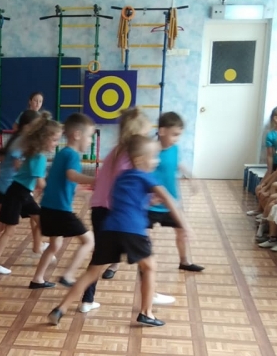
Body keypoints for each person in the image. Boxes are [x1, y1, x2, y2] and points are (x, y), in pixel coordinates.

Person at [47, 134, 191, 327]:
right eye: (153, 157)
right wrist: (184, 224)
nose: (156, 161)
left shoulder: (121, 177)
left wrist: (147, 201)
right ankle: (146, 313)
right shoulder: (146, 177)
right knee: (150, 267)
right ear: (140, 160)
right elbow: (168, 199)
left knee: (92, 272)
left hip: (110, 229)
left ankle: (60, 308)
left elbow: (126, 202)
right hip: (132, 230)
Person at [0, 117, 63, 275]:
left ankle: (40, 249)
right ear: (43, 138)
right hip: (16, 194)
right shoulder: (39, 157)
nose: (57, 143)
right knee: (9, 230)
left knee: (41, 220)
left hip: (24, 194)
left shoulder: (36, 154)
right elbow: (40, 182)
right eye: (54, 140)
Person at [29, 113, 96, 289]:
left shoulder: (62, 154)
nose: (90, 141)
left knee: (54, 245)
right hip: (60, 210)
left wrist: (83, 193)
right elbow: (72, 175)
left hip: (48, 208)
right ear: (77, 135)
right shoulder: (71, 155)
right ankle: (68, 275)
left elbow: (62, 183)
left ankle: (37, 279)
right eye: (89, 136)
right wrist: (94, 180)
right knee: (89, 241)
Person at [0, 110, 44, 260]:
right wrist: (35, 173)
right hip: (8, 189)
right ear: (27, 126)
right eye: (36, 126)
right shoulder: (20, 142)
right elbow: (18, 166)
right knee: (3, 225)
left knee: (37, 218)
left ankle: (38, 247)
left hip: (16, 189)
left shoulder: (21, 140)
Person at [148, 111, 203, 272]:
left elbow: (178, 164)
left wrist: (191, 177)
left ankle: (184, 261)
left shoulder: (175, 149)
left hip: (171, 202)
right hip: (152, 202)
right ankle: (144, 263)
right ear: (162, 131)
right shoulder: (151, 150)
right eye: (174, 134)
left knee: (181, 231)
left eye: (179, 135)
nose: (177, 138)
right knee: (144, 234)